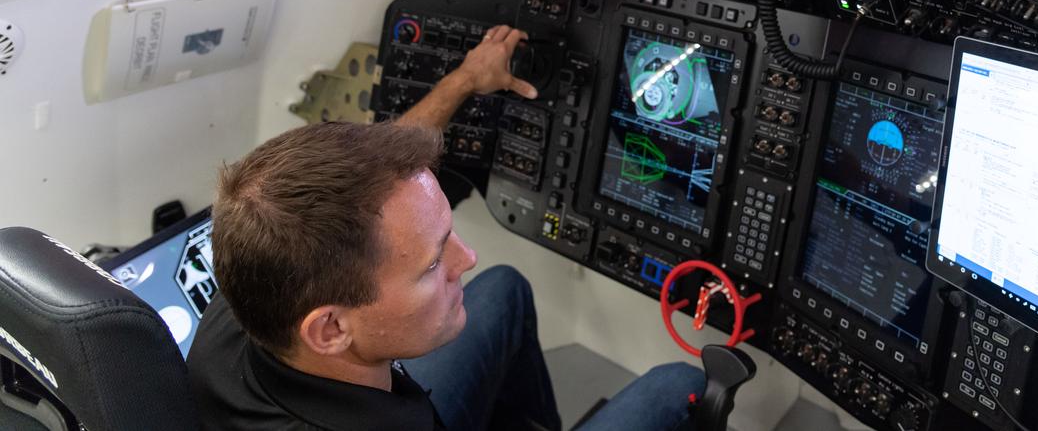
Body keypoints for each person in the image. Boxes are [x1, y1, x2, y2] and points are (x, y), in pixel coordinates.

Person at [187, 25, 704, 430]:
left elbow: (373, 175)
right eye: (434, 262)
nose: (466, 258)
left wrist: (464, 81)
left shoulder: (257, 280)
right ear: (331, 329)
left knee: (502, 289)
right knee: (680, 385)